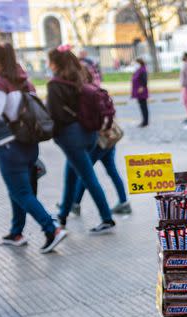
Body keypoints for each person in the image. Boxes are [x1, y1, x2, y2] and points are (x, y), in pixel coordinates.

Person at [0, 43, 66, 253]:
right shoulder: (25, 81)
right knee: (20, 190)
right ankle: (16, 232)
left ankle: (52, 229)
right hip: (29, 145)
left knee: (20, 191)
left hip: (8, 147)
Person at [47, 45, 115, 233]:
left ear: (54, 64)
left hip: (71, 138)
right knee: (70, 175)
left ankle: (107, 218)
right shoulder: (81, 76)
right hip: (89, 134)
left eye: (49, 61)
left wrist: (55, 134)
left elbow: (55, 115)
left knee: (88, 177)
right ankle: (62, 216)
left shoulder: (55, 85)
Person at [68, 62, 131, 217]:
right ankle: (124, 202)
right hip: (109, 138)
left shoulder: (86, 93)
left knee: (86, 172)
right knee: (111, 170)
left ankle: (75, 204)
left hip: (98, 140)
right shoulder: (97, 89)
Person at [132, 58, 149, 127]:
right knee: (142, 106)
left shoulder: (143, 70)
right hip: (139, 91)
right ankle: (144, 121)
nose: (135, 64)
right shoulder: (139, 70)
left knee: (144, 106)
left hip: (142, 91)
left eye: (136, 63)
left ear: (139, 63)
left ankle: (145, 121)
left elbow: (145, 80)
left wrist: (142, 87)